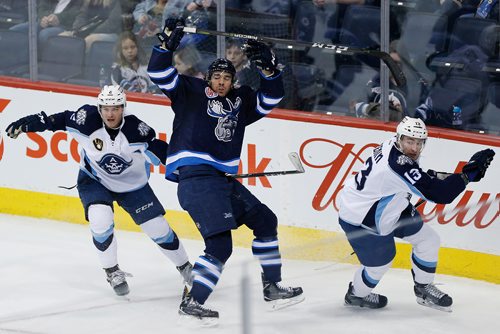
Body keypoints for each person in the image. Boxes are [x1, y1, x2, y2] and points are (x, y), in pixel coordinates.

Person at [147, 18, 304, 325]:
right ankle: (193, 301)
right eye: (216, 77)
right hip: (196, 180)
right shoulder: (189, 91)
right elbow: (158, 72)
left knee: (265, 220)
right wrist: (166, 46)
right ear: (208, 78)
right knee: (220, 245)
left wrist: (269, 71)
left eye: (226, 77)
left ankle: (272, 286)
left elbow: (272, 97)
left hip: (220, 181)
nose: (221, 81)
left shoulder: (241, 100)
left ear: (233, 80)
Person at [4, 85, 193, 296]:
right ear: (99, 108)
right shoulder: (87, 120)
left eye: (115, 108)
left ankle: (185, 267)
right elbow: (61, 120)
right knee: (100, 219)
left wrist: (193, 171)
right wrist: (33, 123)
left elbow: (167, 155)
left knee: (158, 228)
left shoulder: (137, 131)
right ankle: (112, 271)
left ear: (123, 108)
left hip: (132, 186)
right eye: (105, 108)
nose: (110, 114)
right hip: (94, 179)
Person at [337, 116, 495, 311]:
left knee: (428, 240)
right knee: (380, 264)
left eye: (418, 143)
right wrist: (468, 174)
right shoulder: (397, 165)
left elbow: (420, 177)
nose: (414, 147)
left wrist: (452, 177)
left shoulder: (393, 147)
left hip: (388, 205)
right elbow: (441, 194)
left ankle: (423, 288)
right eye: (410, 141)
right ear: (400, 138)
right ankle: (356, 295)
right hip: (363, 218)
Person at [8, 0, 82, 45]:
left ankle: (39, 66)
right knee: (15, 31)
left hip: (64, 26)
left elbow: (77, 13)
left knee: (45, 35)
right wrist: (45, 18)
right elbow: (41, 8)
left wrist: (59, 18)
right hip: (43, 23)